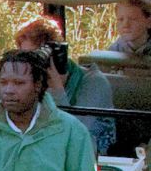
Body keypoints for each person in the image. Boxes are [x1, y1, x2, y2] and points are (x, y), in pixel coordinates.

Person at [16, 14, 116, 154]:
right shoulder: (30, 82)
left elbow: (75, 136)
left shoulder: (93, 82)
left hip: (90, 157)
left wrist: (57, 90)